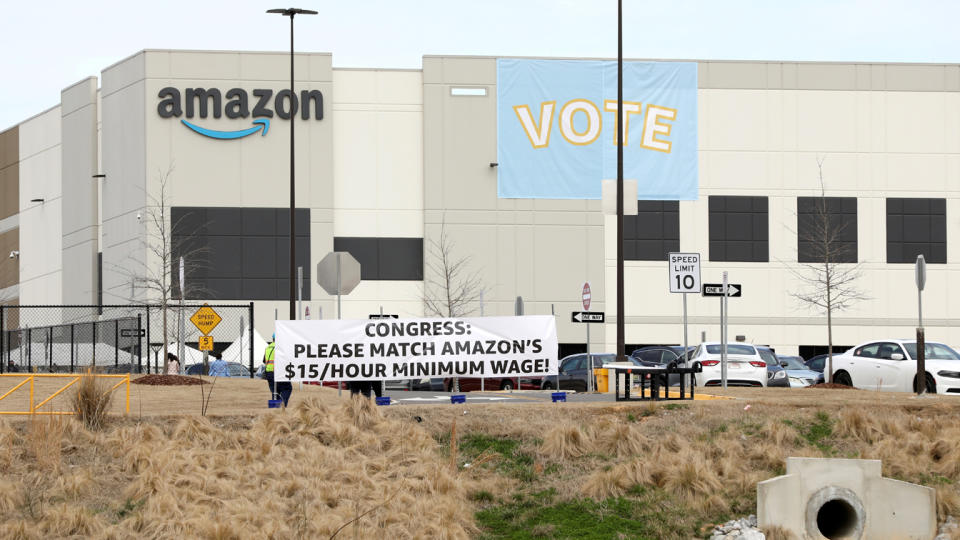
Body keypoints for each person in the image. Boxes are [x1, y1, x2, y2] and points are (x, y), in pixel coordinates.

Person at [264, 334, 292, 407]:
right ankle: (282, 405)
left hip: (269, 373)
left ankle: (275, 408)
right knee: (287, 388)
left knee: (275, 391)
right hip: (279, 372)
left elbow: (264, 360)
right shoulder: (280, 348)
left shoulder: (268, 348)